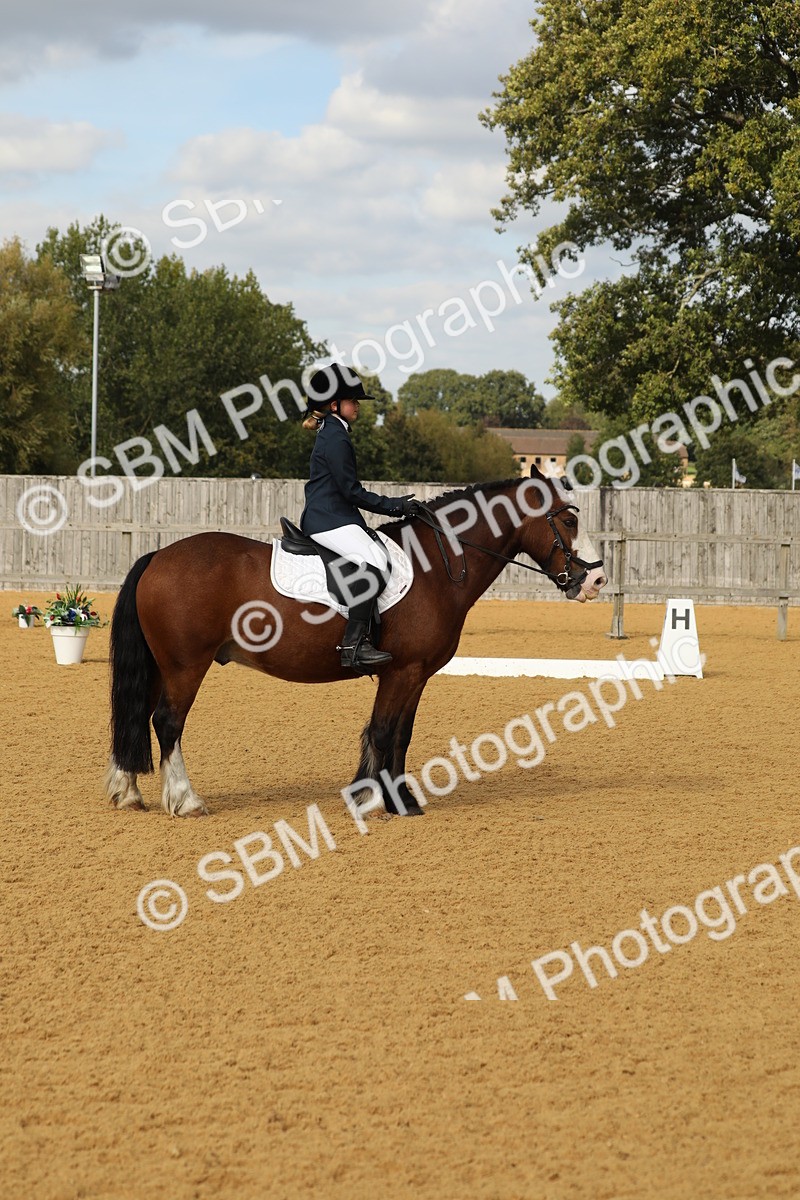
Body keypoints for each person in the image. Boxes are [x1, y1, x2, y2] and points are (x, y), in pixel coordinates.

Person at [300, 363, 420, 672]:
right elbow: (352, 492)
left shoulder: (333, 433)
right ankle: (353, 646)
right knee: (377, 563)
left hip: (333, 516)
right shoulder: (336, 438)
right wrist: (395, 506)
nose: (358, 407)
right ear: (334, 404)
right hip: (329, 519)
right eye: (353, 401)